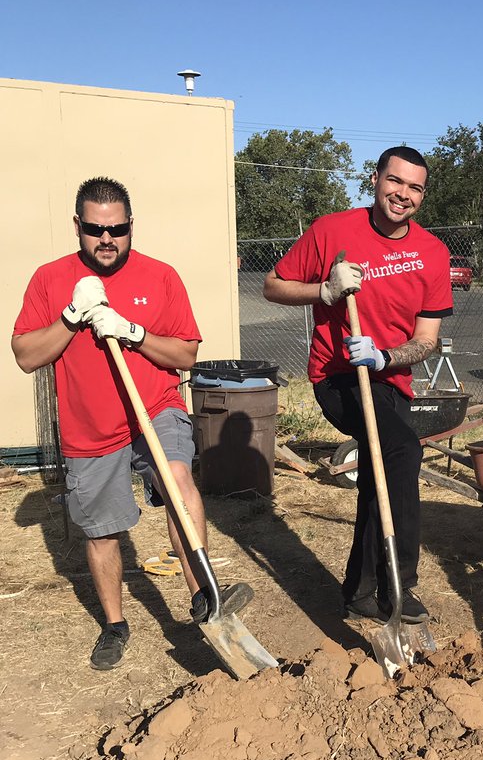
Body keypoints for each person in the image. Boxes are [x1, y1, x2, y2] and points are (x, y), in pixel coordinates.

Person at [11, 177, 252, 670]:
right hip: (89, 427)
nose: (107, 239)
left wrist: (134, 332)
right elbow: (26, 356)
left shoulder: (160, 276)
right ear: (77, 226)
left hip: (154, 408)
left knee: (177, 480)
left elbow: (185, 355)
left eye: (118, 229)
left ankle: (204, 595)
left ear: (130, 226)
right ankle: (115, 625)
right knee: (103, 532)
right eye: (96, 229)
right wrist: (72, 316)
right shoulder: (50, 279)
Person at [263, 146, 452, 623]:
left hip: (390, 378)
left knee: (379, 478)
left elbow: (426, 339)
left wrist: (386, 356)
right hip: (338, 375)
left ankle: (360, 592)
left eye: (415, 187)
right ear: (375, 179)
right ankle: (397, 585)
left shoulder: (432, 252)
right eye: (395, 181)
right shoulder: (333, 231)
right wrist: (324, 290)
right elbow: (273, 285)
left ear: (423, 195)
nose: (403, 194)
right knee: (403, 449)